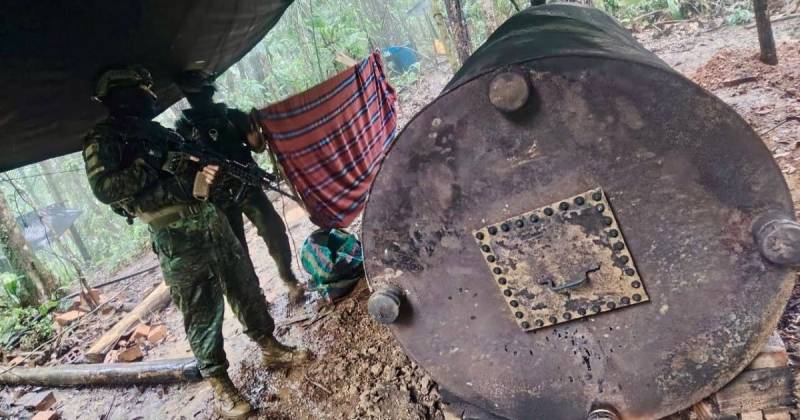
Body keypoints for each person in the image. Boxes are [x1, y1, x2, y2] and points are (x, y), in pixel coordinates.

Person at [82, 65, 309, 419]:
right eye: (143, 89)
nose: (151, 96)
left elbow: (189, 167)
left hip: (209, 217)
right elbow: (105, 190)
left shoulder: (158, 131)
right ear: (122, 94)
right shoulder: (103, 139)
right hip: (174, 234)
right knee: (201, 308)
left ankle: (269, 346)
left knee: (244, 285)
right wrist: (154, 162)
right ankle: (220, 383)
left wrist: (207, 172)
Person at [174, 70, 305, 304]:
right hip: (217, 196)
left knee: (273, 230)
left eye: (203, 93)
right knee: (237, 251)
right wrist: (200, 171)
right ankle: (257, 297)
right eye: (195, 95)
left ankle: (288, 279)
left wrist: (256, 138)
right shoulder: (183, 130)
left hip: (247, 186)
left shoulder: (231, 117)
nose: (201, 99)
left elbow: (258, 147)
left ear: (210, 93)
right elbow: (183, 167)